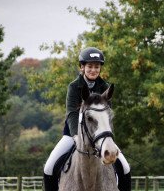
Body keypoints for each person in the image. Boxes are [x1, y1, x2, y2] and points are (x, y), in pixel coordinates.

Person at [43, 47, 131, 191]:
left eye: (97, 67)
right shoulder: (73, 87)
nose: (93, 70)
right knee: (49, 167)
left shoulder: (105, 87)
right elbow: (71, 114)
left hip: (99, 136)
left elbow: (107, 117)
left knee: (125, 168)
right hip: (73, 134)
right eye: (89, 66)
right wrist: (75, 136)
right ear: (82, 67)